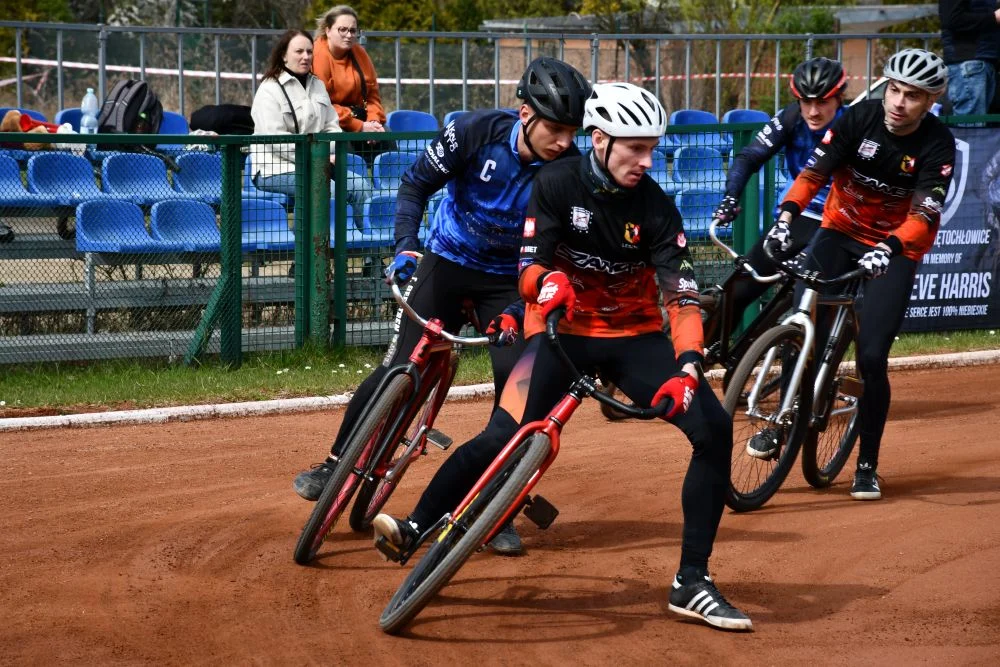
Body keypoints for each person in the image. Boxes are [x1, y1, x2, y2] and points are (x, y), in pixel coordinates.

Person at [373, 82, 753, 631]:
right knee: (501, 433)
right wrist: (545, 283)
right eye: (636, 148)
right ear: (599, 140)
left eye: (653, 148)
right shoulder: (554, 183)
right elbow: (529, 264)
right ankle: (415, 525)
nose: (649, 161)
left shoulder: (656, 207)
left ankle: (691, 581)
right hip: (560, 331)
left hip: (633, 338)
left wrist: (690, 365)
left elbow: (682, 295)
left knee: (713, 429)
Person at [292, 57, 592, 555]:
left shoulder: (569, 172)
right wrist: (407, 245)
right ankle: (335, 462)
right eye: (556, 129)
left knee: (517, 390)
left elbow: (562, 248)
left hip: (511, 283)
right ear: (524, 114)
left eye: (572, 131)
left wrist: (525, 308)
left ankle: (496, 504)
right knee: (395, 369)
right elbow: (414, 186)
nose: (565, 141)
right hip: (447, 262)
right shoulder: (473, 132)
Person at [760, 48, 955, 501]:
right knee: (800, 324)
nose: (899, 102)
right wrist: (787, 215)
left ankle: (866, 464)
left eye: (912, 96)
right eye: (894, 90)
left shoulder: (937, 143)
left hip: (896, 248)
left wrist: (888, 247)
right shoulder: (857, 119)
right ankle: (781, 423)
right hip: (839, 231)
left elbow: (925, 212)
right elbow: (814, 173)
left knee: (870, 358)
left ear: (930, 102)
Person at [713, 57, 848, 328]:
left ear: (839, 99)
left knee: (804, 305)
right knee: (736, 291)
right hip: (797, 216)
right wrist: (731, 197)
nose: (812, 111)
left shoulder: (855, 124)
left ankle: (792, 366)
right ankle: (701, 355)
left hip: (838, 222)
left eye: (822, 102)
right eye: (805, 102)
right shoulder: (790, 118)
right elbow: (749, 157)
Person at [249, 29, 372, 229]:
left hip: (317, 164)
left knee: (360, 186)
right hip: (275, 169)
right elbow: (275, 140)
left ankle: (370, 254)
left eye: (309, 51)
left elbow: (333, 128)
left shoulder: (318, 86)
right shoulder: (269, 89)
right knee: (324, 188)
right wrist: (317, 156)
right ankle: (311, 256)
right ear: (284, 56)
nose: (305, 57)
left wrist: (323, 153)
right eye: (299, 51)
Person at [312, 5, 389, 163]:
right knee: (344, 149)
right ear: (328, 31)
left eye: (353, 31)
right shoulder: (317, 55)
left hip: (360, 118)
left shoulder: (360, 53)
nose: (348, 35)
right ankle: (352, 187)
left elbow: (372, 96)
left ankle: (393, 187)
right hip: (330, 122)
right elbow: (323, 105)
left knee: (386, 138)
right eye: (342, 30)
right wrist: (359, 126)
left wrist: (373, 121)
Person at [939, 0, 1000, 119]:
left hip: (983, 63)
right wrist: (994, 17)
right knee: (970, 128)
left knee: (979, 129)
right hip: (969, 64)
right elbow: (952, 19)